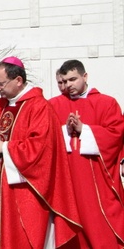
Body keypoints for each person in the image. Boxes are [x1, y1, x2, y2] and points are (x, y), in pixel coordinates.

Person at [0, 56, 81, 248]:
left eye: (1, 84)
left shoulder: (39, 107)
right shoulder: (1, 105)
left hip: (21, 193)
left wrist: (5, 148)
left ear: (18, 80)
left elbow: (42, 149)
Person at [49, 59, 124, 248]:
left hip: (96, 180)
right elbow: (43, 136)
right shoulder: (53, 105)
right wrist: (64, 131)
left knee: (99, 227)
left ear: (85, 76)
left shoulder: (106, 103)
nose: (68, 85)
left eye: (73, 79)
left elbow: (116, 133)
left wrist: (85, 129)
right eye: (64, 81)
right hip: (65, 180)